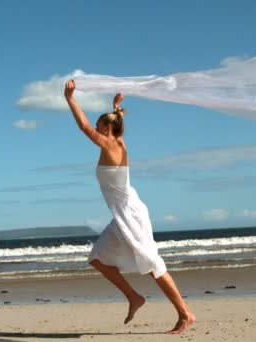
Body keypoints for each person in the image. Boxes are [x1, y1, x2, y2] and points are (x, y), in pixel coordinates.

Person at [64, 80, 196, 334]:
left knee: (152, 263)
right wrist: (116, 107)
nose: (95, 127)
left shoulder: (110, 144)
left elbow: (82, 126)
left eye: (99, 125)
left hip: (130, 213)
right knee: (97, 259)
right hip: (124, 212)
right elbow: (113, 126)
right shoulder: (120, 142)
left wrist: (70, 98)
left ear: (108, 128)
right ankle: (134, 297)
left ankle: (185, 314)